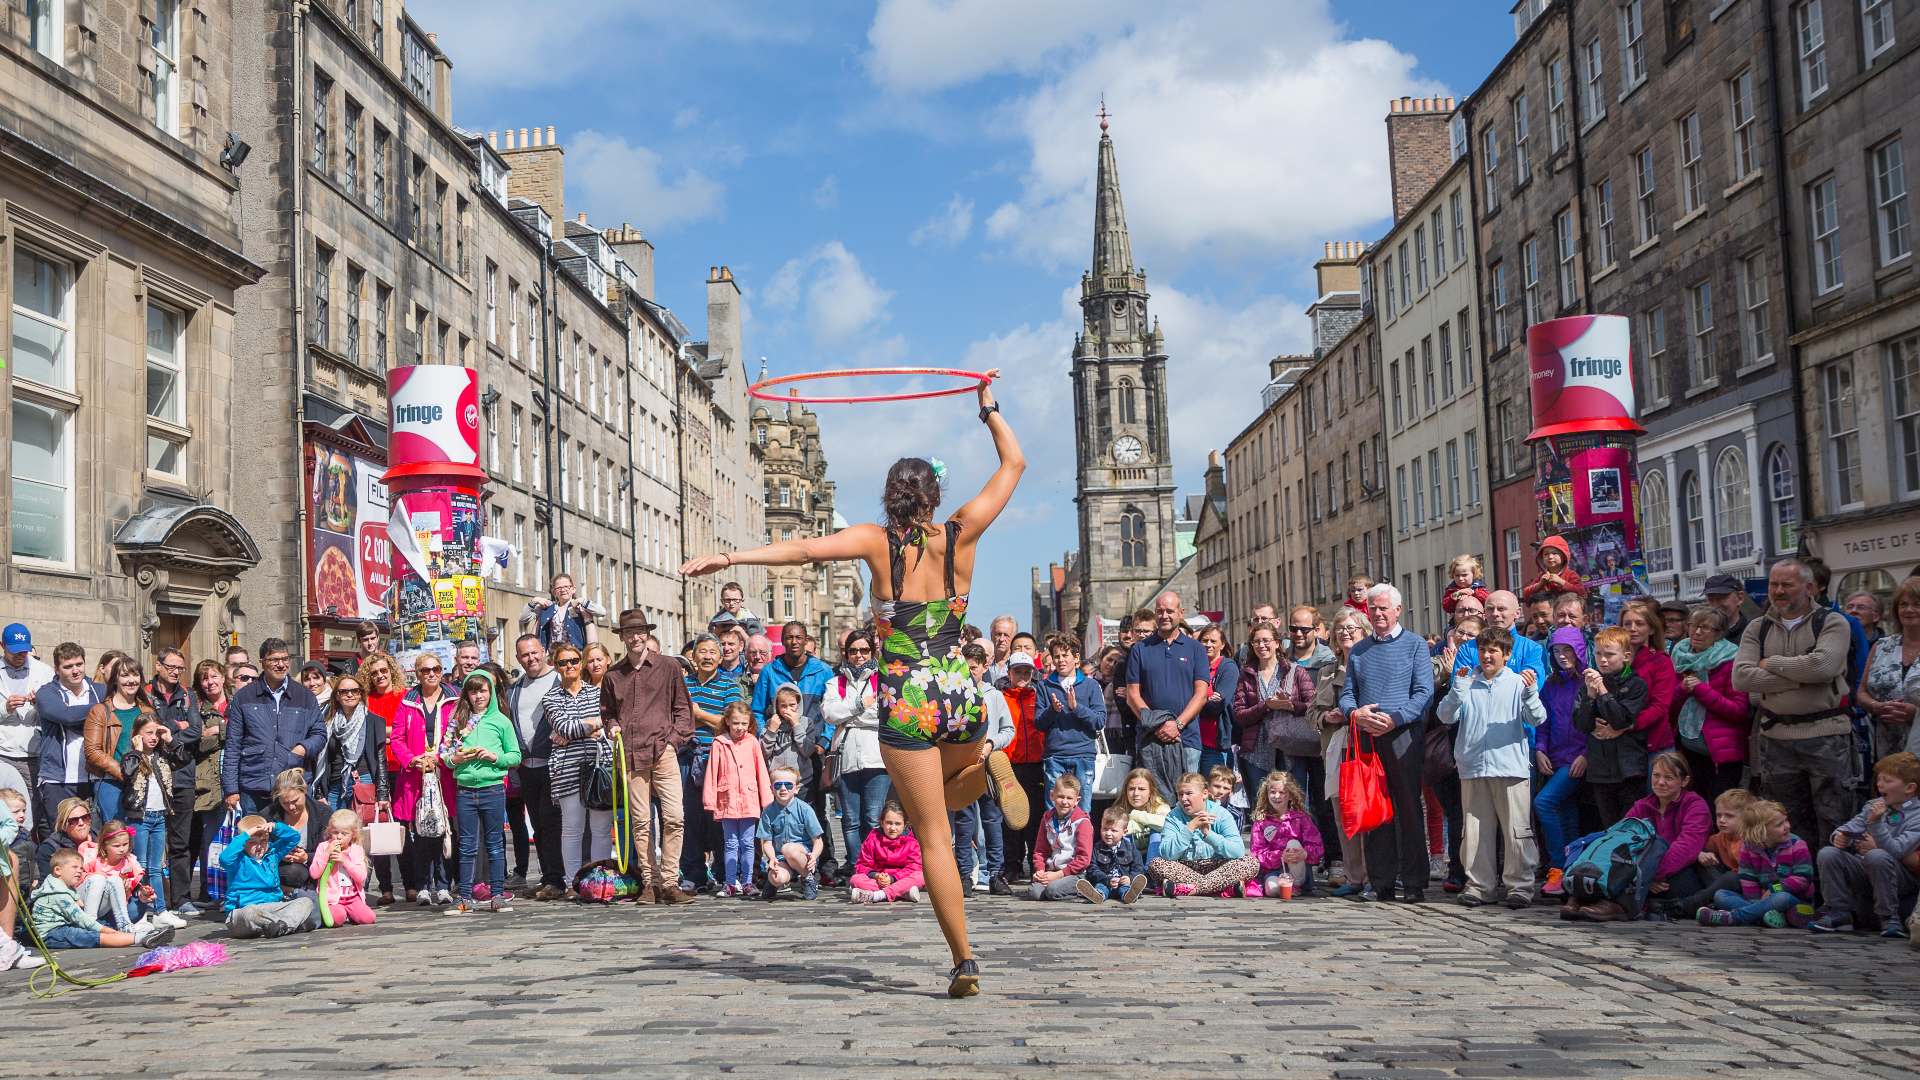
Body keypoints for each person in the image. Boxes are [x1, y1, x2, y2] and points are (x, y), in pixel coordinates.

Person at [681, 372, 1023, 997]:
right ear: (934, 495)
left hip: (905, 698)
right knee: (948, 794)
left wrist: (729, 559)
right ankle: (983, 759)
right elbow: (1015, 462)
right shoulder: (961, 533)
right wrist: (988, 407)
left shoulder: (875, 541)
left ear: (891, 497)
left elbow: (805, 550)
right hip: (959, 690)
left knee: (934, 837)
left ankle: (965, 960)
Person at [1733, 558, 1856, 849]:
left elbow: (1824, 667)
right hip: (1776, 739)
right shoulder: (1757, 628)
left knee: (1834, 820)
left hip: (1826, 736)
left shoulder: (1832, 621)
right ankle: (1800, 890)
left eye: (1786, 584)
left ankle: (1835, 893)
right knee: (1785, 825)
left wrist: (1771, 664)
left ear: (1810, 587)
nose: (1778, 591)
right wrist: (1803, 676)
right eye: (1774, 584)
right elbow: (1741, 678)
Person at [1337, 584, 1436, 903]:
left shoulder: (1415, 645)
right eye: (1373, 609)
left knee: (1408, 809)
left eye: (1383, 608)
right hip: (1368, 736)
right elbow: (1347, 694)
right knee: (1376, 811)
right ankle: (1381, 882)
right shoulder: (1361, 650)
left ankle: (1413, 882)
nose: (1378, 614)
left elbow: (1423, 692)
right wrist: (1356, 713)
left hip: (1403, 735)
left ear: (1397, 610)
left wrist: (1395, 718)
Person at [1437, 626, 1544, 909]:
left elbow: (1537, 719)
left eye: (1493, 651)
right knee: (1475, 832)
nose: (1486, 656)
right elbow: (1445, 716)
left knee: (1516, 831)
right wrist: (1456, 692)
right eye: (1483, 650)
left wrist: (1531, 692)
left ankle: (1519, 886)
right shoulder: (1467, 681)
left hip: (1510, 767)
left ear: (1507, 655)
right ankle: (1479, 885)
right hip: (1472, 766)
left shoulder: (1517, 683)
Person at [600, 609, 697, 905]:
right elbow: (608, 714)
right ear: (622, 637)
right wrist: (613, 726)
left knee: (675, 818)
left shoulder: (668, 667)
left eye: (640, 631)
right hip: (630, 753)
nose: (635, 637)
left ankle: (669, 881)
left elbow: (683, 709)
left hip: (663, 750)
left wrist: (673, 741)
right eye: (629, 633)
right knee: (641, 822)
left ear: (647, 634)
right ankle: (649, 882)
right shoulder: (613, 675)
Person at [1811, 751, 1920, 937]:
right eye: (1879, 780)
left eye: (1888, 781)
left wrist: (1875, 825)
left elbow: (1897, 850)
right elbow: (1851, 826)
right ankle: (1838, 911)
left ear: (1909, 788)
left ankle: (1889, 917)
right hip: (1866, 868)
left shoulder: (1917, 816)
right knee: (1828, 853)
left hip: (1900, 877)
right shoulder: (1874, 805)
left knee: (1877, 855)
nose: (1880, 785)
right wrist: (1840, 835)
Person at [440, 670, 521, 916]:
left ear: (491, 693)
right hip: (465, 790)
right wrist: (456, 758)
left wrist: (495, 757)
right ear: (467, 694)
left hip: (493, 789)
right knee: (466, 846)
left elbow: (515, 756)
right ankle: (465, 896)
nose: (478, 696)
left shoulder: (501, 721)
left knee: (495, 844)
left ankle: (497, 895)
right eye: (473, 691)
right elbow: (445, 756)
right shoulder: (457, 720)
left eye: (483, 691)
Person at [221, 638, 325, 815]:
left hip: (292, 785)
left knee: (291, 841)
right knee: (255, 840)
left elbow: (320, 734)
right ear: (262, 662)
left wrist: (303, 748)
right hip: (254, 787)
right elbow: (233, 745)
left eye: (285, 659)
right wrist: (231, 789)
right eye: (274, 660)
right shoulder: (245, 697)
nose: (281, 664)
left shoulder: (305, 696)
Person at [1310, 609, 1370, 895]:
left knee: (1368, 813)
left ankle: (1376, 874)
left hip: (1366, 748)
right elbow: (1312, 712)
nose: (1345, 633)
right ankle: (1354, 876)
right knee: (1342, 813)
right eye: (1340, 629)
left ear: (1364, 631)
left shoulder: (1372, 664)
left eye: (1352, 628)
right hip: (1335, 747)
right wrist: (1325, 718)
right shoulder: (1326, 671)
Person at [390, 652, 457, 905]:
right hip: (416, 777)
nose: (431, 674)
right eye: (425, 670)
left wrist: (441, 757)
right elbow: (396, 738)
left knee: (445, 830)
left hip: (445, 775)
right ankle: (423, 886)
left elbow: (460, 733)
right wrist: (412, 759)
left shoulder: (454, 699)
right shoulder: (407, 702)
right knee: (419, 833)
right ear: (416, 674)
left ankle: (443, 885)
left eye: (436, 669)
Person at [541, 644, 609, 890]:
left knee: (601, 828)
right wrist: (591, 726)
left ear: (580, 663)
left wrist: (584, 727)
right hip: (567, 770)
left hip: (599, 767)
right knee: (572, 829)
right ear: (556, 666)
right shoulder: (550, 698)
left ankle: (601, 880)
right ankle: (572, 883)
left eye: (574, 660)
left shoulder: (599, 693)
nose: (569, 666)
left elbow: (610, 722)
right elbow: (564, 728)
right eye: (563, 662)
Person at [1126, 592, 1212, 786]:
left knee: (1186, 800)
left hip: (1186, 739)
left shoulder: (1196, 649)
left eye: (1170, 611)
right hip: (1150, 739)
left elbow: (1201, 695)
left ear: (1181, 613)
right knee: (1152, 803)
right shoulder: (1140, 649)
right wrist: (1155, 724)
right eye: (1160, 611)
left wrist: (1177, 725)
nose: (1164, 615)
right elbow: (1132, 695)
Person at [1616, 752, 1713, 921]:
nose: (1660, 782)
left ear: (1684, 781)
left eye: (1669, 777)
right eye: (1656, 776)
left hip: (1680, 871)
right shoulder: (1643, 806)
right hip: (1646, 873)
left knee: (1674, 884)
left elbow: (1686, 847)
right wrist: (1642, 877)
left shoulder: (1695, 805)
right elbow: (1620, 838)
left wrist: (1648, 875)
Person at [680, 633, 742, 894]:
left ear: (720, 657)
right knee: (688, 817)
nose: (706, 656)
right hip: (686, 757)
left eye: (712, 652)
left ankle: (721, 872)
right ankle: (693, 873)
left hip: (717, 757)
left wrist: (698, 714)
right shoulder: (683, 684)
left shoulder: (730, 685)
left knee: (719, 818)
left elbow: (732, 723)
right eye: (701, 652)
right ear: (693, 657)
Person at [1669, 606, 1750, 805]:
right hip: (1689, 748)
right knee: (1695, 805)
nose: (1697, 632)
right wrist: (1682, 689)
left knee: (1720, 808)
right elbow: (1671, 706)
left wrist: (1701, 690)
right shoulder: (1679, 656)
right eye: (1694, 626)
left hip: (1722, 754)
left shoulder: (1730, 660)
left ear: (1719, 633)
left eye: (1705, 628)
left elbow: (1739, 710)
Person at [954, 643, 1016, 895]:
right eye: (965, 669)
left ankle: (995, 874)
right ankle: (965, 875)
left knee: (992, 820)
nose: (970, 674)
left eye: (974, 669)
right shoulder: (954, 694)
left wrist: (992, 743)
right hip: (963, 767)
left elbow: (1008, 730)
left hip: (989, 766)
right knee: (964, 821)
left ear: (984, 667)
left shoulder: (994, 696)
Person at [116, 713, 191, 925]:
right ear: (137, 736)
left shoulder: (162, 756)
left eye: (156, 733)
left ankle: (160, 911)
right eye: (148, 733)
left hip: (159, 817)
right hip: (140, 818)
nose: (153, 737)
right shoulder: (132, 757)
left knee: (156, 866)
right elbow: (127, 772)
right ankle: (139, 911)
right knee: (140, 866)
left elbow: (184, 759)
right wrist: (137, 751)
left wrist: (171, 739)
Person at [1233, 622, 1317, 810]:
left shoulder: (1295, 671)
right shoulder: (1246, 674)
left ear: (1277, 643)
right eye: (1256, 642)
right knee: (1262, 808)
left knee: (1296, 806)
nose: (1262, 646)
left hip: (1291, 747)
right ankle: (1265, 840)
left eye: (1266, 640)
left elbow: (1313, 706)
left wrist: (1291, 705)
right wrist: (1266, 706)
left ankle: (1296, 840)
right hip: (1256, 750)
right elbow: (1239, 714)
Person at [1574, 626, 1652, 825]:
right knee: (1609, 826)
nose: (1603, 660)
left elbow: (1620, 719)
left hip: (1629, 769)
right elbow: (1581, 725)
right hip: (1600, 769)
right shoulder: (1588, 686)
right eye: (1598, 654)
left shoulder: (1636, 684)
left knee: (1629, 826)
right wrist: (1590, 698)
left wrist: (1602, 691)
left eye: (1609, 654)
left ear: (1625, 656)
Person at [1696, 799, 1814, 928]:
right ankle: (1761, 916)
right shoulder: (1748, 847)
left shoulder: (1797, 845)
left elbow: (1803, 879)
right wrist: (1757, 903)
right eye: (1779, 824)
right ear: (1761, 831)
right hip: (1761, 900)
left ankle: (1733, 917)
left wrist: (1774, 889)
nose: (1787, 826)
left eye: (1786, 820)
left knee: (1781, 897)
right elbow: (1748, 880)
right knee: (1721, 895)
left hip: (1793, 900)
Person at [825, 628, 889, 863]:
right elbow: (829, 713)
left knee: (873, 817)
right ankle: (855, 866)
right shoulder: (835, 682)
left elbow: (885, 716)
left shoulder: (882, 680)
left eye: (864, 650)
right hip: (846, 758)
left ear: (871, 652)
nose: (859, 655)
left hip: (876, 758)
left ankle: (872, 864)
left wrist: (849, 713)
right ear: (846, 654)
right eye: (853, 651)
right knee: (850, 819)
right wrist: (861, 704)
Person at [504, 635, 560, 898]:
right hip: (527, 766)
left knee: (552, 823)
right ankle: (548, 875)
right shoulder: (514, 689)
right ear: (518, 659)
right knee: (537, 824)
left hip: (555, 763)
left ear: (544, 651)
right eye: (525, 655)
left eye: (535, 653)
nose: (531, 658)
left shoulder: (559, 681)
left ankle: (558, 879)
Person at [1534, 626, 1588, 897]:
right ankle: (1571, 869)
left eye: (1567, 650)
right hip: (1554, 758)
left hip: (1575, 760)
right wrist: (1540, 749)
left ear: (1579, 651)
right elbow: (1543, 722)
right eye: (1557, 651)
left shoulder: (1588, 682)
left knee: (1544, 802)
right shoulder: (1551, 685)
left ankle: (1558, 866)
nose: (1562, 656)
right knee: (1567, 814)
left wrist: (1586, 755)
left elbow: (1595, 723)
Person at [1148, 771, 1258, 897]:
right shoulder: (1173, 817)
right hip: (1185, 867)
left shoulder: (1221, 814)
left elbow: (1237, 851)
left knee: (1250, 863)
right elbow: (1167, 854)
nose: (1184, 798)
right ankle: (1220, 888)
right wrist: (1190, 828)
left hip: (1217, 866)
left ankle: (1192, 888)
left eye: (1189, 793)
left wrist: (1208, 834)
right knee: (1156, 864)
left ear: (1204, 794)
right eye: (1180, 794)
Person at [31, 848, 165, 950]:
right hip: (51, 934)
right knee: (95, 937)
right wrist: (105, 930)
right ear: (58, 870)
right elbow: (80, 918)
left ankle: (137, 935)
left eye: (81, 868)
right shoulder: (58, 894)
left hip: (61, 928)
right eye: (74, 867)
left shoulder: (59, 887)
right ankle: (140, 938)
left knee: (98, 930)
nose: (79, 871)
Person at [704, 701, 773, 897]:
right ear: (727, 722)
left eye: (744, 723)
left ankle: (748, 881)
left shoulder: (752, 742)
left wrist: (766, 799)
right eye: (736, 723)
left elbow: (761, 771)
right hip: (727, 799)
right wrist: (710, 800)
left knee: (749, 842)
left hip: (749, 799)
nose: (740, 728)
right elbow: (712, 772)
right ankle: (730, 882)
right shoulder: (719, 743)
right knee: (731, 843)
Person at [82, 658, 153, 831]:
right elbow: (92, 751)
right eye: (125, 675)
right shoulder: (100, 711)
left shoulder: (147, 711)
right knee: (117, 836)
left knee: (140, 836)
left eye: (135, 675)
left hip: (143, 783)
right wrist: (122, 772)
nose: (131, 680)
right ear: (115, 679)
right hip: (112, 783)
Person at [1036, 634, 1104, 813]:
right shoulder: (1045, 686)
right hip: (1055, 757)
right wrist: (1053, 710)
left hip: (1083, 756)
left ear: (1076, 658)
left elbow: (1099, 721)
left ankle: (1081, 841)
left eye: (1065, 655)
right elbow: (1039, 723)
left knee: (1082, 810)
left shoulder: (1091, 686)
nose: (1060, 660)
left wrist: (1076, 708)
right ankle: (1055, 842)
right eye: (1056, 656)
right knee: (1054, 810)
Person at [221, 815, 317, 938]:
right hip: (244, 911)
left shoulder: (273, 854)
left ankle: (280, 926)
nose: (259, 846)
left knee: (306, 902)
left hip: (272, 907)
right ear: (243, 843)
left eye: (263, 841)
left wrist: (275, 827)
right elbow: (224, 858)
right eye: (252, 842)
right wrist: (247, 834)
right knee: (250, 913)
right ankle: (290, 925)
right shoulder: (237, 860)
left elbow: (294, 837)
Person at [1858, 577, 1920, 762]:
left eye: (1917, 604)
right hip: (1885, 747)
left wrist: (1916, 713)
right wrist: (1876, 706)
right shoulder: (1882, 646)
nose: (1909, 610)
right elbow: (1861, 691)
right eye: (1903, 604)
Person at [996, 650, 1045, 878]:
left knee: (1035, 817)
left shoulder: (1038, 695)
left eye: (1027, 671)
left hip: (1036, 763)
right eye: (1018, 671)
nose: (1023, 675)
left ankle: (1035, 862)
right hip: (1010, 765)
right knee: (1010, 817)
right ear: (1010, 672)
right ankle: (1012, 865)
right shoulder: (1001, 696)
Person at [188, 659, 229, 904]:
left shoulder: (236, 705)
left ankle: (229, 887)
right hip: (207, 779)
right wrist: (222, 730)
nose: (210, 682)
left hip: (233, 776)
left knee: (233, 835)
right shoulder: (198, 710)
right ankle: (208, 889)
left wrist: (219, 730)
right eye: (205, 678)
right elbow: (198, 742)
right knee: (210, 837)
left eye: (214, 676)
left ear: (223, 677)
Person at [0, 623, 53, 814]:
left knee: (31, 808)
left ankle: (28, 844)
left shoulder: (44, 671)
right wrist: (4, 709)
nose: (20, 656)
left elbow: (54, 709)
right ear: (2, 646)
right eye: (15, 652)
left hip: (34, 753)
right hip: (3, 752)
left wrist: (40, 703)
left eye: (24, 651)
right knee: (6, 806)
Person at [1246, 771, 1322, 898]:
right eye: (1272, 792)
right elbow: (1257, 854)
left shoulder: (1301, 818)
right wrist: (1280, 856)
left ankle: (1296, 885)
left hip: (1300, 870)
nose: (1277, 796)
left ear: (1290, 795)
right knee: (1271, 888)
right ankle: (1287, 888)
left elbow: (1317, 846)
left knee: (1293, 843)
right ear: (1266, 794)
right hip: (1274, 871)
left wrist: (1305, 853)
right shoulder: (1261, 822)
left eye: (1282, 792)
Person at [757, 765, 825, 900]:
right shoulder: (768, 811)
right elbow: (766, 841)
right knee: (777, 877)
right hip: (781, 858)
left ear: (796, 789)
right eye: (778, 785)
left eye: (788, 785)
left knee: (788, 849)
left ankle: (808, 878)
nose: (783, 789)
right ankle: (772, 883)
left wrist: (814, 856)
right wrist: (772, 858)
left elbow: (818, 841)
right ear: (771, 789)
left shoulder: (805, 809)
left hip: (802, 856)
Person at [1026, 774, 1093, 901]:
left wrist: (1059, 875)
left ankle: (1082, 890)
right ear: (1052, 796)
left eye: (1069, 798)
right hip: (1052, 871)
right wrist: (1040, 870)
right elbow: (1040, 850)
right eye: (1060, 797)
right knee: (1034, 892)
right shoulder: (1047, 819)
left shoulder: (1082, 822)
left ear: (1077, 801)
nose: (1064, 802)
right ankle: (1056, 888)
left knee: (1052, 890)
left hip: (1074, 873)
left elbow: (1084, 859)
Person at [848, 800, 925, 904]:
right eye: (889, 823)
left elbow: (914, 867)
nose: (893, 828)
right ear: (881, 822)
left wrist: (893, 878)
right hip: (879, 879)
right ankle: (903, 893)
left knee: (920, 876)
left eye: (897, 824)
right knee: (855, 879)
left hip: (900, 879)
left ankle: (876, 896)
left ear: (905, 825)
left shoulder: (912, 843)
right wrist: (876, 875)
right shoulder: (872, 839)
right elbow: (862, 865)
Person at [311, 808, 376, 926]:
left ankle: (351, 913)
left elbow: (361, 877)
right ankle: (342, 912)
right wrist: (326, 854)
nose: (339, 837)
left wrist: (345, 861)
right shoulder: (323, 847)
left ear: (353, 834)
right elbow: (314, 873)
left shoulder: (356, 849)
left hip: (352, 898)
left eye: (344, 833)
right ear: (330, 831)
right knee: (337, 918)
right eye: (335, 832)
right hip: (332, 900)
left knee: (368, 918)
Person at [1075, 803, 1148, 905]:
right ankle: (1097, 895)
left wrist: (1130, 878)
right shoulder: (1097, 848)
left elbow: (1138, 867)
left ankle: (1129, 895)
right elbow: (1092, 868)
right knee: (1101, 887)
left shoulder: (1130, 848)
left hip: (1123, 883)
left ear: (1124, 832)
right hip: (1105, 882)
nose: (1108, 833)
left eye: (1113, 830)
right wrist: (1107, 879)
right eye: (1105, 829)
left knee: (1125, 888)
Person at [266, 767, 325, 891]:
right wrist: (278, 854)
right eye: (285, 803)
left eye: (295, 801)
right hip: (283, 868)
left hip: (317, 868)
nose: (291, 807)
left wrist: (306, 857)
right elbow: (256, 849)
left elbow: (332, 850)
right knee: (293, 872)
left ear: (304, 791)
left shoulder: (322, 813)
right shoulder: (268, 816)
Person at [1194, 626, 1240, 776]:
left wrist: (1195, 703)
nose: (1208, 644)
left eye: (1213, 641)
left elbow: (1218, 705)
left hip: (1215, 745)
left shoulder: (1228, 668)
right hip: (1193, 742)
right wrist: (1207, 699)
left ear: (1223, 644)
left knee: (1215, 793)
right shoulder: (1193, 667)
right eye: (1204, 640)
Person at [523, 572, 604, 651]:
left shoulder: (580, 607)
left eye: (566, 586)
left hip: (575, 654)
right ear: (554, 592)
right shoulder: (547, 608)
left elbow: (602, 612)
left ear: (573, 589)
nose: (563, 590)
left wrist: (582, 601)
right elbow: (523, 619)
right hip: (552, 656)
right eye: (559, 588)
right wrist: (534, 600)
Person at [1520, 535, 1586, 604]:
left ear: (1564, 556)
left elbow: (1581, 593)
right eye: (1546, 554)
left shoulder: (1571, 575)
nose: (1550, 557)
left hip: (1566, 612)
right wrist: (1540, 585)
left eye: (1554, 553)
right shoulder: (1542, 576)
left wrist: (1561, 582)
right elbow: (1526, 595)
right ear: (1541, 558)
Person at [1702, 574, 1752, 644]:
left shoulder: (1753, 632)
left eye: (1721, 598)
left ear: (1740, 598)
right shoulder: (1699, 633)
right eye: (1711, 599)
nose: (1716, 605)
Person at [986, 615, 1018, 684]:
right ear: (991, 636)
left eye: (1006, 635)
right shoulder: (984, 662)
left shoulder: (1018, 664)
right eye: (998, 634)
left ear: (1014, 638)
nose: (1001, 639)